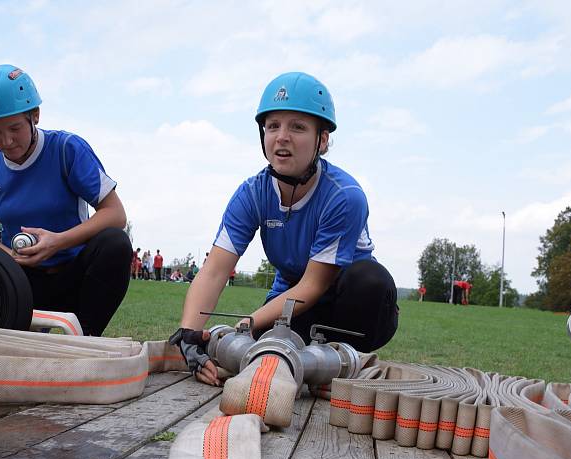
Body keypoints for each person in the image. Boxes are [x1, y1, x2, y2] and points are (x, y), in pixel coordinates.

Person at [169, 72, 399, 385]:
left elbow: (315, 285)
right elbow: (213, 272)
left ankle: (344, 366)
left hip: (349, 301)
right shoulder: (251, 193)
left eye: (298, 127)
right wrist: (189, 334)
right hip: (292, 299)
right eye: (273, 126)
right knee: (262, 350)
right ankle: (310, 363)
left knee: (370, 280)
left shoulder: (344, 195)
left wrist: (246, 323)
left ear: (323, 140)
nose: (282, 136)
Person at [0, 64, 131, 336]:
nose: (6, 141)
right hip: (19, 280)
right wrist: (10, 257)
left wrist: (57, 242)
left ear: (35, 116)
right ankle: (2, 333)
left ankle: (84, 338)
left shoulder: (67, 149)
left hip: (73, 275)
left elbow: (115, 214)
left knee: (115, 244)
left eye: (15, 127)